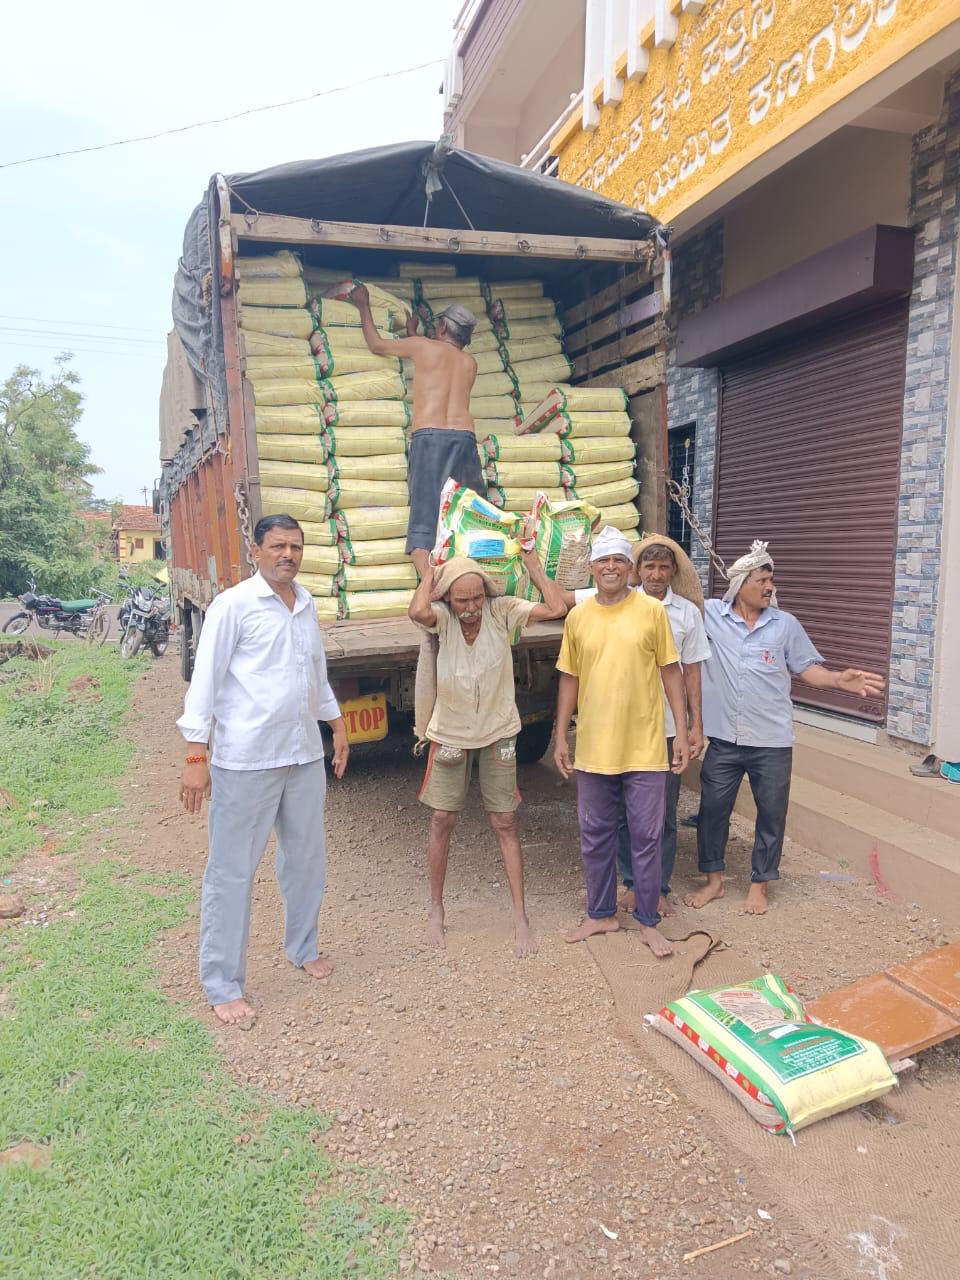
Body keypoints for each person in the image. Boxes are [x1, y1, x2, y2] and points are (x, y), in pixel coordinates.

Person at [177, 514, 349, 1027]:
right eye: (277, 546)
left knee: (305, 861)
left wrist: (337, 726)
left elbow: (314, 676)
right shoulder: (233, 606)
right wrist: (195, 756)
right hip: (246, 761)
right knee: (231, 872)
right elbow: (203, 683)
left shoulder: (307, 603)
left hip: (302, 755)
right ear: (255, 550)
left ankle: (303, 947)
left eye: (295, 547)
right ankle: (222, 983)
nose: (288, 555)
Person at [687, 540, 885, 915]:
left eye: (770, 580)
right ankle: (713, 881)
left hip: (772, 741)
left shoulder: (784, 624)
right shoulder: (711, 614)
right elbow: (680, 595)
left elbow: (807, 668)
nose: (769, 587)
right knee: (712, 811)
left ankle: (760, 884)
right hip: (725, 738)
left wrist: (838, 680)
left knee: (771, 814)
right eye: (761, 579)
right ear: (740, 583)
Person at [409, 549, 567, 956]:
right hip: (450, 733)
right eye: (461, 600)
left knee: (505, 823)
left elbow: (554, 607)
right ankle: (436, 911)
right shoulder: (442, 619)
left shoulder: (503, 611)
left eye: (476, 598)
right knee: (442, 819)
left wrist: (533, 566)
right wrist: (431, 573)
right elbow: (417, 612)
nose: (471, 608)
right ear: (448, 600)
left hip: (499, 732)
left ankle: (520, 917)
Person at [554, 527, 690, 958]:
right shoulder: (579, 617)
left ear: (628, 569)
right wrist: (560, 734)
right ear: (592, 569)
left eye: (618, 561)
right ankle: (601, 914)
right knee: (594, 833)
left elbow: (672, 672)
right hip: (595, 747)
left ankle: (648, 920)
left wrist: (683, 731)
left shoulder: (651, 611)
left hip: (646, 747)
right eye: (602, 561)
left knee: (646, 836)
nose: (611, 567)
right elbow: (570, 677)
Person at [348, 284, 484, 577]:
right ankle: (469, 576)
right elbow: (439, 363)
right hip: (464, 439)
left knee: (424, 518)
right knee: (465, 513)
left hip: (430, 438)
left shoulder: (423, 346)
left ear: (444, 326)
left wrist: (363, 306)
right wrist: (415, 333)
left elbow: (377, 345)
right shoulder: (470, 363)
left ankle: (429, 586)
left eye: (438, 324)